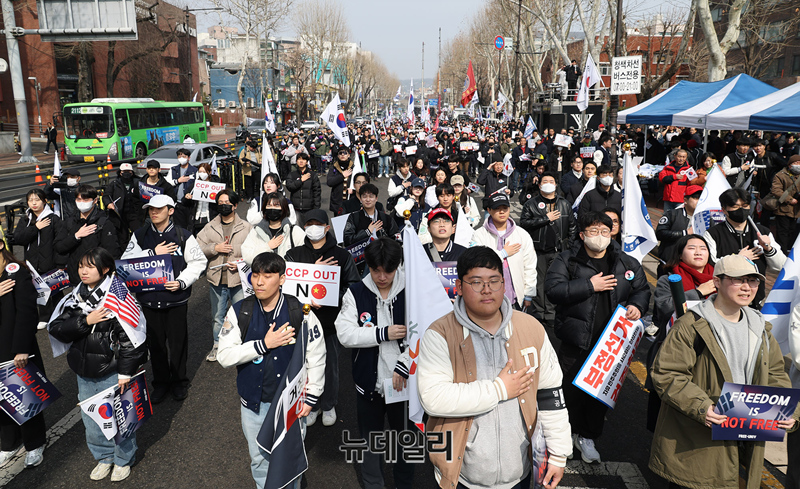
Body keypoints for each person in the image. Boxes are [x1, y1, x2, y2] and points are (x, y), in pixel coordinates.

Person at [417, 246, 572, 489]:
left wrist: (559, 454)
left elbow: (550, 395)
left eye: (494, 281)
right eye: (476, 282)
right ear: (458, 286)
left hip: (521, 474)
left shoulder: (531, 328)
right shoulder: (440, 334)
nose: (487, 289)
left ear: (504, 283)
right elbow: (433, 398)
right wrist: (499, 389)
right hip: (463, 476)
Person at [649, 254, 793, 489]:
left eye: (753, 281)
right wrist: (702, 407)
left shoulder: (760, 326)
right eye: (738, 280)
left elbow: (776, 373)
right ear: (717, 282)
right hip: (698, 437)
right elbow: (667, 373)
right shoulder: (692, 324)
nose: (747, 287)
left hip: (746, 432)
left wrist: (785, 410)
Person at [545, 212, 650, 463]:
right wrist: (589, 286)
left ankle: (588, 437)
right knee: (569, 392)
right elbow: (553, 289)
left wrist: (638, 306)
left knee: (599, 394)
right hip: (576, 340)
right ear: (582, 235)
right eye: (593, 231)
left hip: (612, 344)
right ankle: (564, 436)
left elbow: (642, 290)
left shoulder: (625, 263)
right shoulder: (568, 260)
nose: (600, 236)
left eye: (605, 231)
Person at [216, 252, 326, 489]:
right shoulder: (239, 311)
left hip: (292, 403)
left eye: (268, 275)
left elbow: (316, 355)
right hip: (255, 405)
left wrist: (312, 395)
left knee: (290, 460)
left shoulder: (301, 311)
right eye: (255, 275)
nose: (259, 282)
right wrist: (263, 345)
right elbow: (224, 356)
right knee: (259, 460)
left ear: (283, 279)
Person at [48, 248, 148, 482]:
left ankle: (123, 459)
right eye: (81, 266)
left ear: (105, 270)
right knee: (93, 419)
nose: (83, 271)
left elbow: (132, 339)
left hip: (112, 371)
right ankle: (104, 457)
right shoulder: (74, 297)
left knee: (122, 417)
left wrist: (126, 373)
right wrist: (86, 321)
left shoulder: (118, 297)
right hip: (84, 372)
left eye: (90, 266)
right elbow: (57, 329)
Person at [335, 238, 416, 489]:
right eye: (375, 270)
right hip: (369, 384)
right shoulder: (356, 293)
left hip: (404, 384)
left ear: (398, 266)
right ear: (367, 266)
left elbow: (427, 333)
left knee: (405, 443)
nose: (382, 276)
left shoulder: (412, 290)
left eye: (388, 271)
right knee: (370, 444)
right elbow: (344, 334)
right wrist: (382, 333)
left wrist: (405, 363)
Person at [121, 195, 207, 403]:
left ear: (170, 210)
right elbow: (125, 263)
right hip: (148, 301)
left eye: (159, 209)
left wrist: (181, 282)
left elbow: (198, 262)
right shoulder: (140, 235)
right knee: (156, 345)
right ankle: (160, 383)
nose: (153, 212)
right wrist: (151, 253)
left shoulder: (183, 235)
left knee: (178, 345)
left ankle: (179, 382)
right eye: (151, 209)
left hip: (176, 300)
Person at [285, 209, 360, 427]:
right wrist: (313, 273)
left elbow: (353, 285)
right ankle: (312, 405)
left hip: (329, 322)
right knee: (304, 365)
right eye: (309, 224)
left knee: (330, 365)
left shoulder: (342, 255)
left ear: (327, 228)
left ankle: (328, 405)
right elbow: (285, 285)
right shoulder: (294, 254)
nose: (313, 228)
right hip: (300, 321)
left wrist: (329, 295)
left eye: (318, 224)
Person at [0, 241, 47, 468]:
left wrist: (22, 348)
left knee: (24, 395)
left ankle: (35, 442)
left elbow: (27, 311)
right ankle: (9, 443)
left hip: (15, 346)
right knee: (2, 398)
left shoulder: (16, 271)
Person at [703, 188, 786, 309]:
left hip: (756, 296)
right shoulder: (713, 234)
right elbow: (711, 265)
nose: (741, 210)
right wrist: (738, 259)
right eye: (735, 207)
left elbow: (781, 265)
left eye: (745, 205)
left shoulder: (762, 232)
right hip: (726, 298)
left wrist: (768, 249)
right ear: (724, 210)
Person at [196, 189, 251, 362]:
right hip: (216, 279)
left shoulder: (247, 227)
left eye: (227, 202)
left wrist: (241, 261)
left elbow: (254, 251)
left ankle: (243, 345)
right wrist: (215, 248)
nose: (223, 205)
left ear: (235, 206)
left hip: (238, 279)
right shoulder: (210, 226)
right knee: (217, 316)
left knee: (243, 314)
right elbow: (197, 248)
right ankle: (217, 345)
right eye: (220, 202)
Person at [520, 171, 575, 330]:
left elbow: (572, 227)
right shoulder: (531, 204)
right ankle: (539, 311)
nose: (549, 183)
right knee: (538, 282)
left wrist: (568, 247)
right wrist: (546, 218)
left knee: (554, 282)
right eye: (545, 181)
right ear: (539, 184)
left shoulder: (565, 204)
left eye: (551, 181)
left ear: (556, 184)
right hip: (538, 250)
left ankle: (551, 312)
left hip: (559, 251)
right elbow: (524, 224)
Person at [470, 192, 537, 311]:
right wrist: (503, 253)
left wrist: (528, 294)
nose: (502, 212)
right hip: (487, 296)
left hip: (515, 298)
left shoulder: (522, 234)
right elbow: (476, 262)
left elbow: (530, 266)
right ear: (489, 210)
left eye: (505, 208)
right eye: (497, 209)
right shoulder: (479, 234)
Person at [13, 188, 67, 325]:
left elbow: (60, 242)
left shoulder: (53, 219)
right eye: (30, 200)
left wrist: (60, 264)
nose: (34, 203)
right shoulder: (26, 219)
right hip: (32, 262)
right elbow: (18, 239)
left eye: (37, 199)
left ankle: (59, 315)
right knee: (40, 291)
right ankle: (44, 317)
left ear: (45, 201)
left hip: (50, 262)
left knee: (54, 290)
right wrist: (35, 227)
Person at [55, 184, 121, 285]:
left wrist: (112, 273)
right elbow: (59, 246)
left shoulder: (104, 222)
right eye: (78, 199)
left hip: (98, 278)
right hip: (76, 277)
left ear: (95, 201)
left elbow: (112, 251)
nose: (82, 203)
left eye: (86, 200)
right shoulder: (69, 222)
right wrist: (76, 236)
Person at [242, 192, 305, 263]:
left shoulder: (294, 231)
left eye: (277, 205)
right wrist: (267, 247)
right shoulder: (256, 231)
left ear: (284, 208)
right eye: (269, 205)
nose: (272, 208)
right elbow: (247, 257)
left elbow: (306, 255)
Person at [655, 184, 703, 273]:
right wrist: (685, 233)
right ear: (685, 200)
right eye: (695, 198)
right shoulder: (672, 214)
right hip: (670, 264)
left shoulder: (705, 219)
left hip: (693, 267)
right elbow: (660, 233)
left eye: (701, 198)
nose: (699, 201)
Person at [102, 163, 141, 242]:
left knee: (138, 235)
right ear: (120, 172)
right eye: (124, 171)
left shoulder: (138, 183)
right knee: (122, 237)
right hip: (119, 215)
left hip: (134, 214)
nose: (126, 173)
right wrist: (108, 203)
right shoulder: (114, 184)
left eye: (128, 171)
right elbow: (106, 196)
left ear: (132, 172)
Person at [769, 154, 800, 252]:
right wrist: (790, 199)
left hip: (796, 211)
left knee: (792, 230)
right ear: (790, 165)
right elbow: (776, 190)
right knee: (783, 232)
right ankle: (782, 251)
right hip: (783, 209)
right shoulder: (780, 175)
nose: (798, 165)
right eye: (796, 163)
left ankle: (789, 249)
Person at [180, 163, 219, 236]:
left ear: (209, 172)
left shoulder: (215, 185)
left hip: (211, 219)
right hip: (196, 220)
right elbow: (184, 203)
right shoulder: (195, 185)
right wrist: (187, 198)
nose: (202, 174)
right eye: (200, 172)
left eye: (204, 172)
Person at [285, 152, 321, 225]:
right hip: (296, 208)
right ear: (296, 161)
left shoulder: (313, 175)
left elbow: (317, 192)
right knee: (298, 231)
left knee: (309, 230)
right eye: (299, 159)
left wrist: (316, 208)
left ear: (307, 162)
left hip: (309, 208)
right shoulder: (292, 175)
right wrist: (300, 180)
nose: (301, 161)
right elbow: (289, 187)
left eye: (303, 159)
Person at [170, 148, 198, 230]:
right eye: (179, 156)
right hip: (177, 204)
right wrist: (177, 181)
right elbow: (167, 182)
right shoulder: (174, 170)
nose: (181, 158)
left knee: (190, 227)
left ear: (189, 158)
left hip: (190, 204)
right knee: (179, 228)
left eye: (184, 156)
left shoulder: (195, 171)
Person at [327, 146, 355, 215]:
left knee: (351, 224)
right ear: (338, 155)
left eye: (345, 153)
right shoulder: (334, 167)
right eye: (340, 153)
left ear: (348, 155)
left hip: (351, 201)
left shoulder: (354, 167)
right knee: (338, 224)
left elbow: (362, 183)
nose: (342, 154)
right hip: (337, 202)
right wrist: (342, 176)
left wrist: (354, 190)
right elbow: (329, 182)